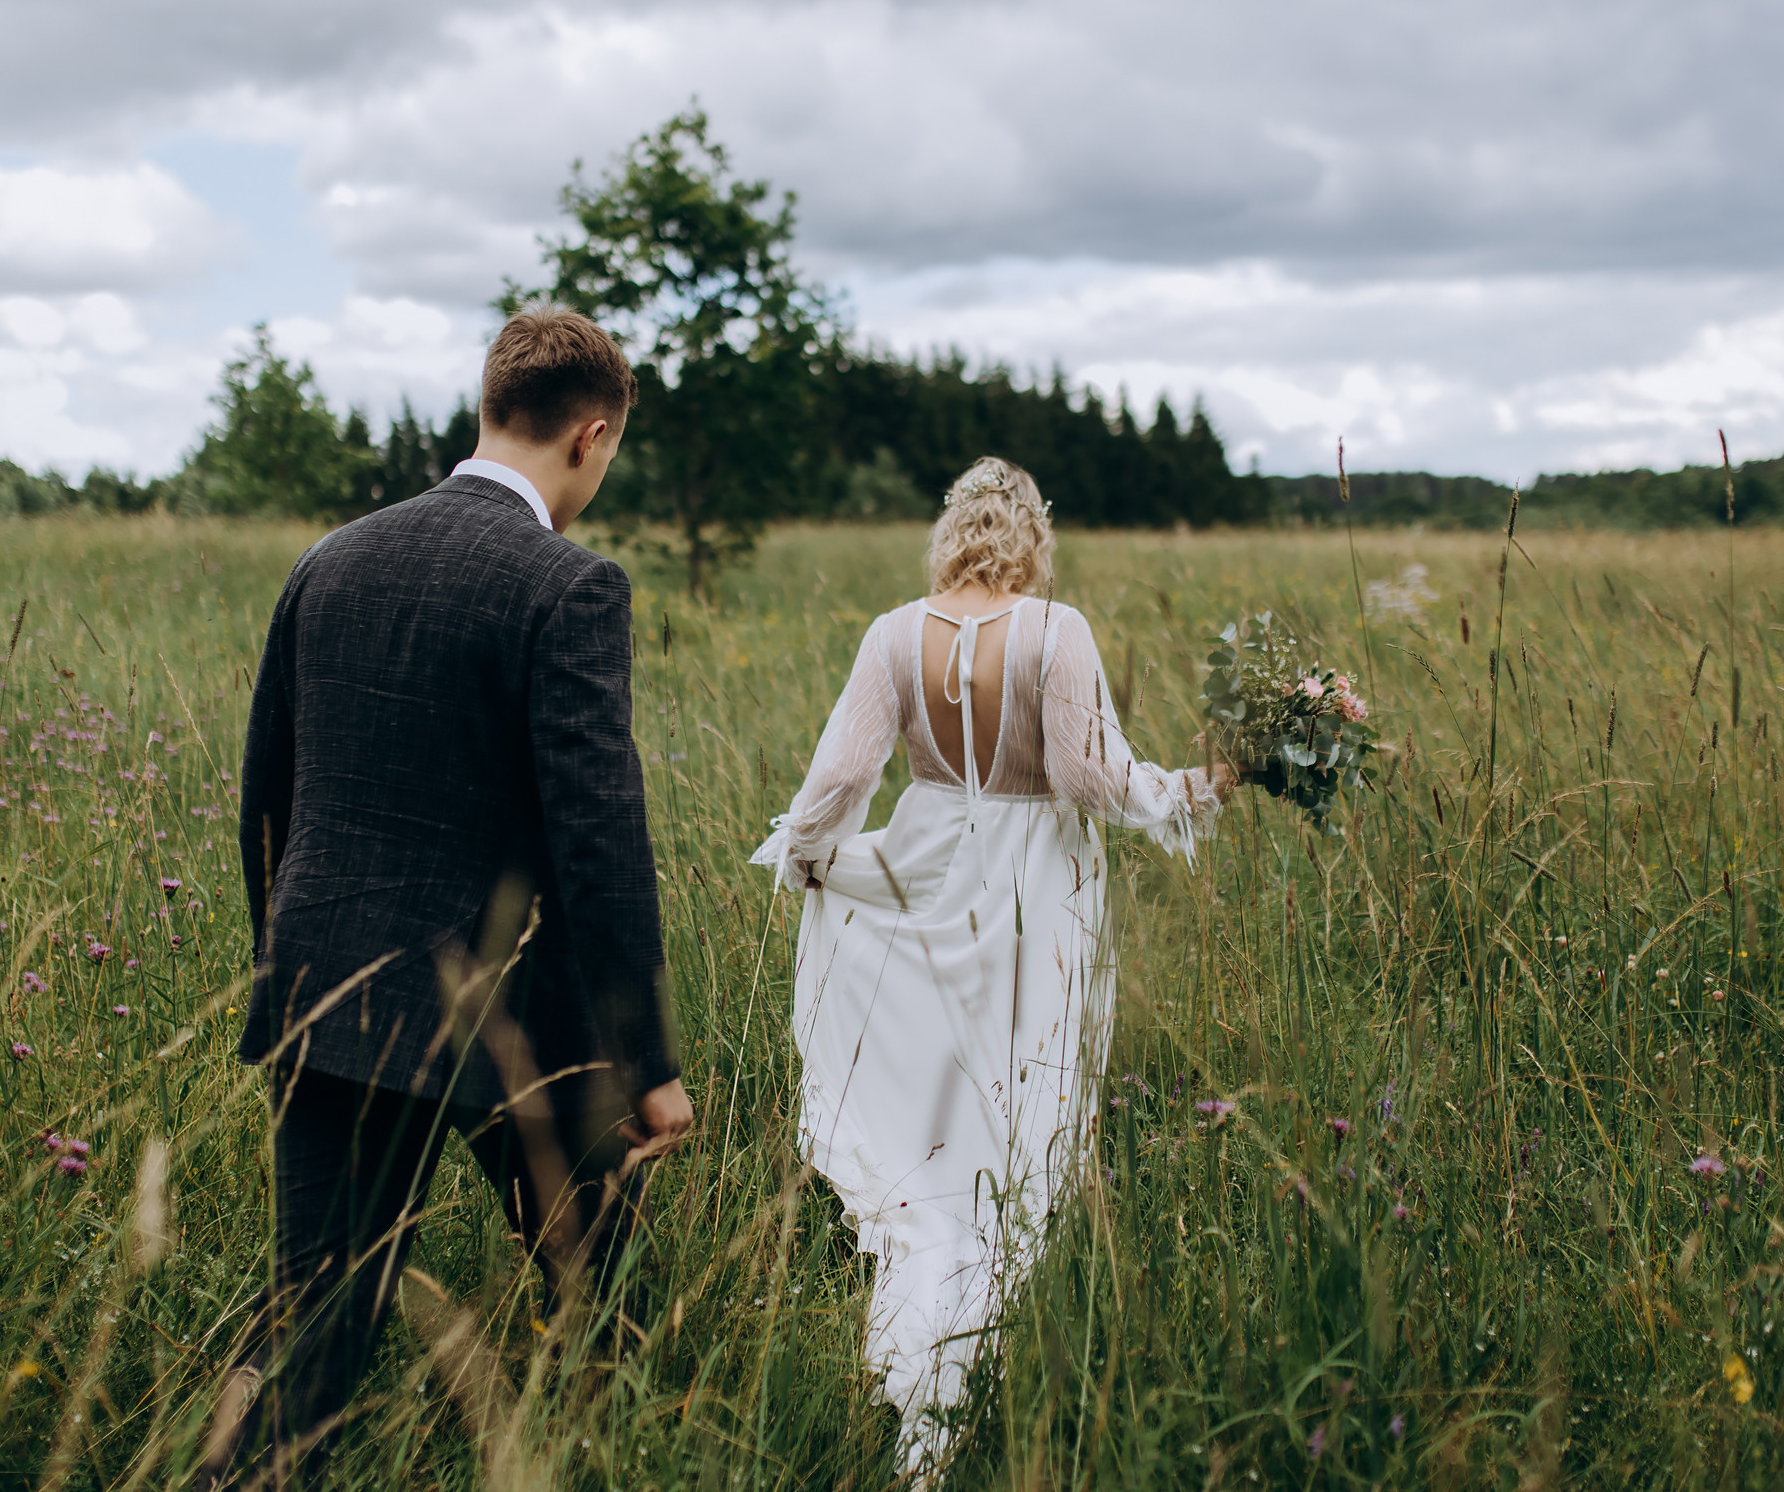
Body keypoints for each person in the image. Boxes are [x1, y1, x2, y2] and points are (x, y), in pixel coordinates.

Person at [201, 306, 693, 1487]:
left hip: (328, 996)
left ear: (488, 408)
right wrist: (647, 1061)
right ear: (591, 436)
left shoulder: (332, 558)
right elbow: (601, 844)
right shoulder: (568, 586)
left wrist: (296, 968)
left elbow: (267, 797)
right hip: (512, 1028)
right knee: (609, 1300)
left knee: (316, 1330)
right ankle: (601, 1464)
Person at [750, 457, 1228, 1479]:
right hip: (1030, 886)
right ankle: (979, 1322)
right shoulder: (1059, 632)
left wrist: (806, 856)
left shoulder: (892, 633)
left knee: (935, 1107)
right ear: (1031, 540)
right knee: (1018, 1099)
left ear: (951, 535)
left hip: (922, 869)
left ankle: (923, 1325)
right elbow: (1086, 778)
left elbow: (842, 774)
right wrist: (1193, 788)